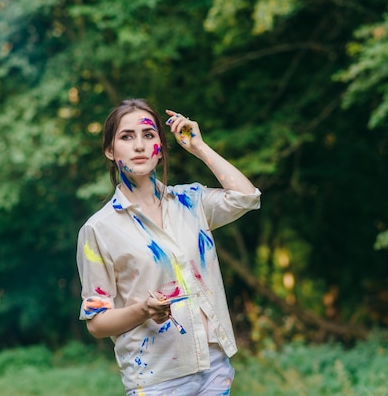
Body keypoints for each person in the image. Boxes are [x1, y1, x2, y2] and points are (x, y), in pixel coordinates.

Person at [76, 98, 261, 395]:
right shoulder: (99, 229)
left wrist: (198, 147)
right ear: (110, 151)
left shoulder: (190, 202)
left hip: (214, 367)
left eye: (149, 136)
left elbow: (247, 197)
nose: (139, 145)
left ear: (160, 149)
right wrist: (144, 310)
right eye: (126, 137)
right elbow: (97, 324)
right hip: (157, 379)